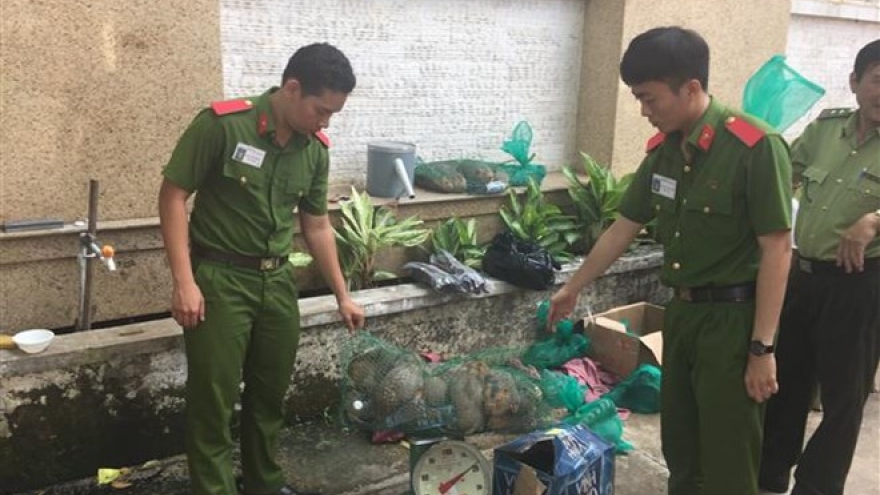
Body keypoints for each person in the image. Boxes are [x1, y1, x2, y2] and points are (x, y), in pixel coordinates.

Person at [547, 27, 793, 495]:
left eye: (650, 98)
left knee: (728, 453)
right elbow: (624, 226)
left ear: (691, 88)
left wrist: (762, 349)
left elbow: (777, 249)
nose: (644, 111)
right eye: (638, 98)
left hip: (734, 322)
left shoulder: (754, 147)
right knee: (681, 446)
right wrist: (573, 287)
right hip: (682, 315)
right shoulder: (665, 152)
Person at [158, 43, 365, 495]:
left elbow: (317, 225)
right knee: (213, 401)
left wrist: (342, 295)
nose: (326, 123)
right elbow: (173, 196)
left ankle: (263, 484)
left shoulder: (314, 149)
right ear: (292, 88)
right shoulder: (222, 125)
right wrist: (184, 282)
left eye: (333, 114)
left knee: (269, 396)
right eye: (321, 110)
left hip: (277, 282)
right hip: (220, 280)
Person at [759, 39, 880, 495]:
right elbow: (781, 174)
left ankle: (817, 486)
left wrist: (874, 219)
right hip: (802, 276)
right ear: (855, 82)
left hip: (858, 286)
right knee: (785, 382)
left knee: (843, 398)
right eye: (878, 80)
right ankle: (769, 475)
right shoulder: (826, 130)